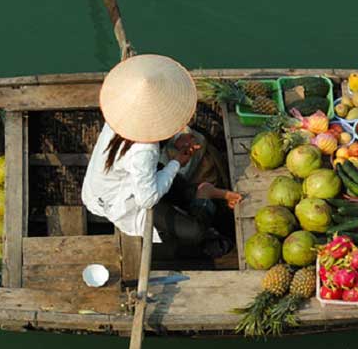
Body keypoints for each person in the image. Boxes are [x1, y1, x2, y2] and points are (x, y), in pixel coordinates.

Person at [81, 54, 240, 258]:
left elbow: (150, 131)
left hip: (119, 182)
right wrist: (175, 163)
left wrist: (177, 139)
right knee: (194, 232)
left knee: (176, 189)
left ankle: (202, 195)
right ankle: (205, 195)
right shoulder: (144, 150)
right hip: (122, 200)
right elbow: (146, 199)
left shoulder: (121, 113)